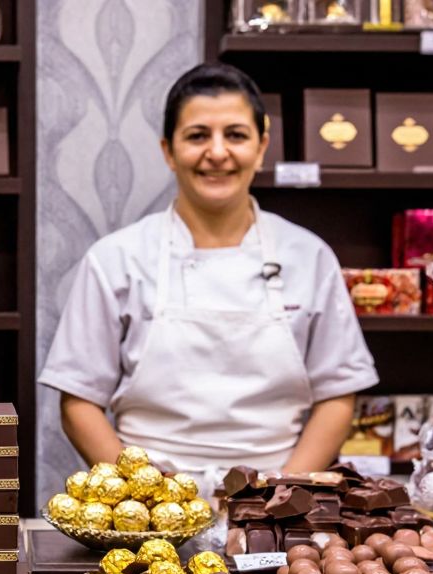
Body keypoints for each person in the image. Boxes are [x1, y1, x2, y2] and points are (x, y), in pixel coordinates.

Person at [38, 62, 378, 492]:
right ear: (168, 150)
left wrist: (281, 491)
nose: (217, 152)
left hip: (276, 502)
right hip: (151, 510)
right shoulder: (115, 259)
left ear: (261, 147)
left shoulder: (309, 256)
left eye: (235, 135)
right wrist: (146, 496)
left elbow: (337, 394)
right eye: (198, 136)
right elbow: (78, 403)